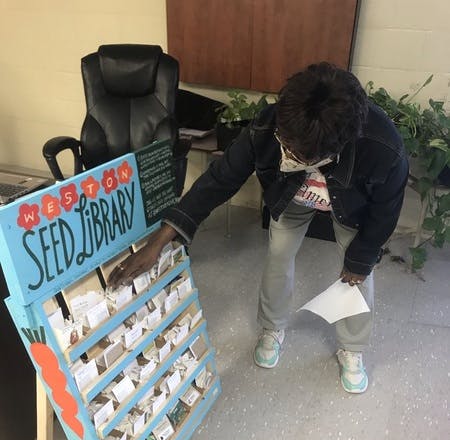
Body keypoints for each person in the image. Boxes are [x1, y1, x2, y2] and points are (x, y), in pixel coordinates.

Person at [109, 62, 409, 394]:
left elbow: (386, 213)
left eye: (297, 153)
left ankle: (352, 348)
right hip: (290, 195)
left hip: (353, 207)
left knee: (357, 275)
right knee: (279, 255)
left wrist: (362, 260)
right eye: (285, 142)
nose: (286, 151)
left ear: (333, 148)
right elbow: (219, 180)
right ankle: (272, 328)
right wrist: (163, 237)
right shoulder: (270, 126)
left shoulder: (383, 148)